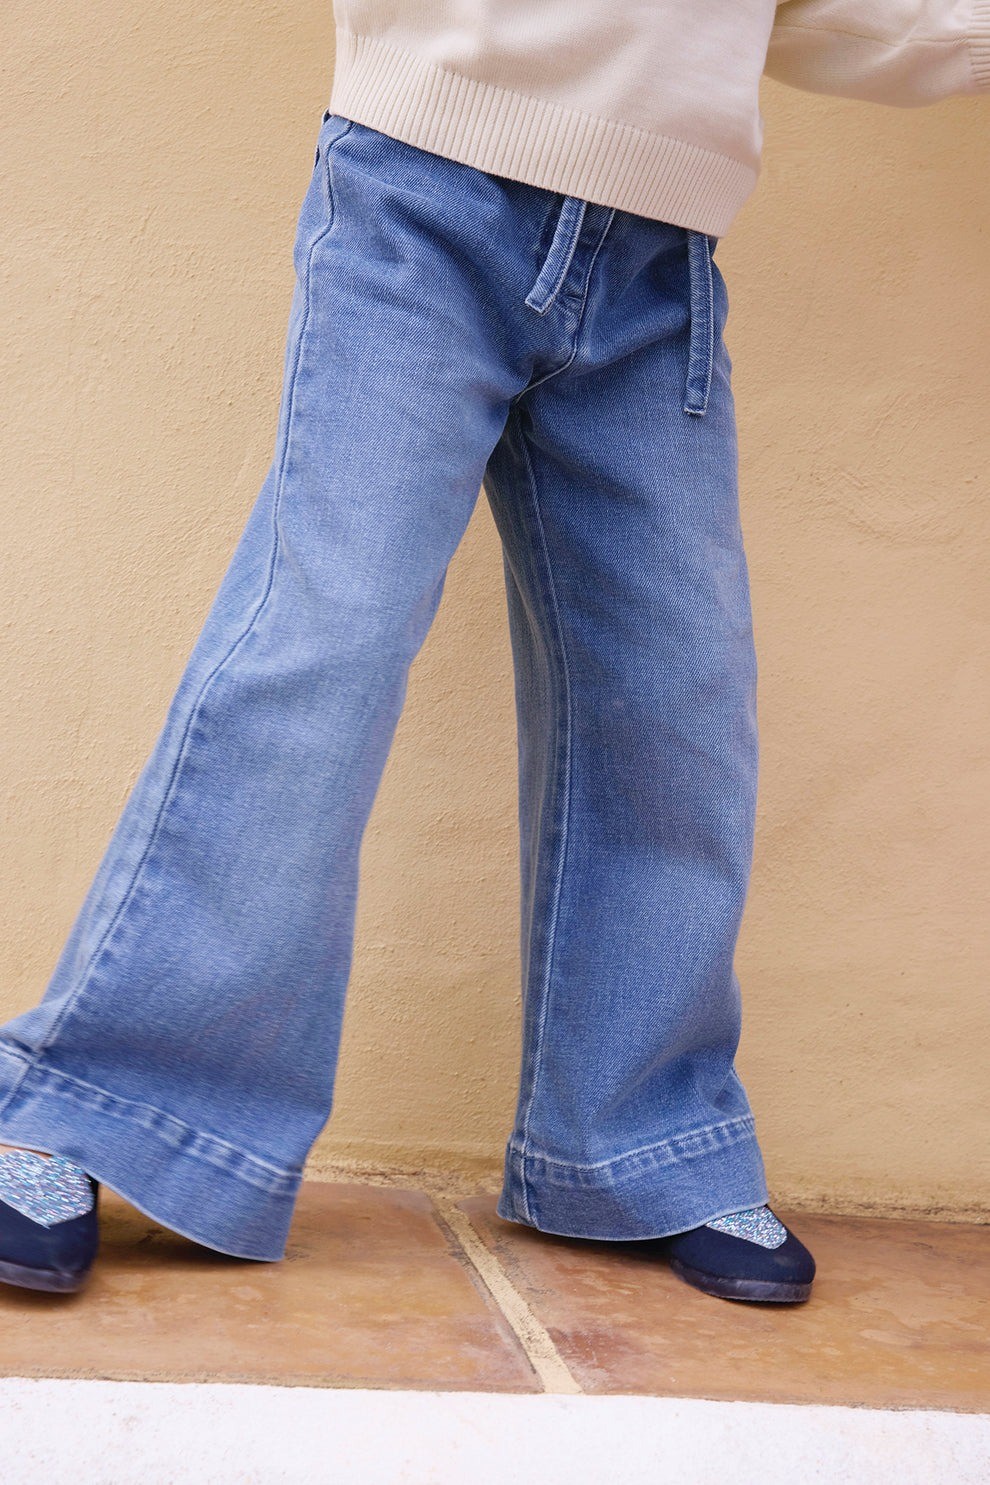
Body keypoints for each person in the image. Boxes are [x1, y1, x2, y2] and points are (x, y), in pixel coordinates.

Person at [1, 0, 986, 1301]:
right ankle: (100, 1103)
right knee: (324, 645)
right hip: (425, 194)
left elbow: (830, 16)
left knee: (675, 704)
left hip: (661, 260)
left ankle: (634, 1143)